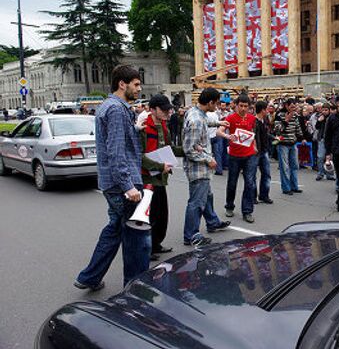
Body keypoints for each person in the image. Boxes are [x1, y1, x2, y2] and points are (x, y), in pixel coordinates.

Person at [75, 65, 148, 290]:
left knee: (115, 229)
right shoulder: (116, 109)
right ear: (122, 84)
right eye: (136, 84)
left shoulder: (113, 106)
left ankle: (89, 277)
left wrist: (135, 129)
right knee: (137, 237)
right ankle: (134, 287)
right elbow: (116, 151)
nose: (139, 88)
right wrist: (128, 186)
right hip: (121, 184)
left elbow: (118, 141)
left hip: (113, 182)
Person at [182, 88, 231, 246]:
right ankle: (191, 235)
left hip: (201, 167)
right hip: (198, 168)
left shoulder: (197, 113)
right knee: (197, 201)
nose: (217, 107)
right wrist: (207, 159)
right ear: (210, 102)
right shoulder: (196, 120)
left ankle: (212, 222)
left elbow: (204, 122)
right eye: (216, 104)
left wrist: (218, 122)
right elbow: (189, 149)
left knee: (207, 196)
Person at [139, 94, 176, 261]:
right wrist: (161, 166)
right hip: (147, 178)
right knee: (150, 215)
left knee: (162, 214)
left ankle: (157, 244)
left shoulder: (163, 125)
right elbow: (139, 156)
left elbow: (168, 148)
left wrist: (188, 151)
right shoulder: (143, 127)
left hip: (160, 177)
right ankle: (148, 248)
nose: (167, 112)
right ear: (152, 109)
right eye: (163, 109)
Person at [218, 94, 258, 223]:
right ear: (236, 105)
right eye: (241, 106)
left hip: (250, 154)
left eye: (246, 106)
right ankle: (229, 206)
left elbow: (252, 134)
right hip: (234, 155)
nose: (243, 108)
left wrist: (255, 146)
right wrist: (227, 136)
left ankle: (247, 211)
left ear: (249, 107)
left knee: (250, 183)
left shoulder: (252, 118)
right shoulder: (230, 118)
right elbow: (219, 131)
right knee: (232, 182)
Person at [273, 98, 304, 195]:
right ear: (286, 106)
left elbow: (297, 127)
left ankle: (294, 186)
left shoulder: (295, 115)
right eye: (292, 107)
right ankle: (286, 188)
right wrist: (286, 120)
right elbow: (277, 131)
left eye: (295, 107)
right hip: (283, 144)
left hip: (293, 143)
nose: (294, 109)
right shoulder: (279, 115)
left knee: (294, 166)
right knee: (285, 167)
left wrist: (302, 137)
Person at [254, 100, 273, 204]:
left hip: (264, 150)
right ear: (262, 110)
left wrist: (275, 137)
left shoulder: (264, 121)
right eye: (266, 109)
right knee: (252, 175)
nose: (268, 111)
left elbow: (266, 134)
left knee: (266, 174)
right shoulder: (254, 121)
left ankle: (264, 195)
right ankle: (253, 197)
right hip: (256, 152)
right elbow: (253, 137)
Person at [315, 104, 335, 181]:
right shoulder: (320, 117)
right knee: (320, 157)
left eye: (326, 110)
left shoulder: (332, 117)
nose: (324, 111)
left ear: (329, 110)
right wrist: (319, 121)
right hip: (322, 139)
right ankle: (320, 173)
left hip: (331, 140)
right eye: (323, 110)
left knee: (330, 158)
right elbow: (316, 127)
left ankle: (330, 174)